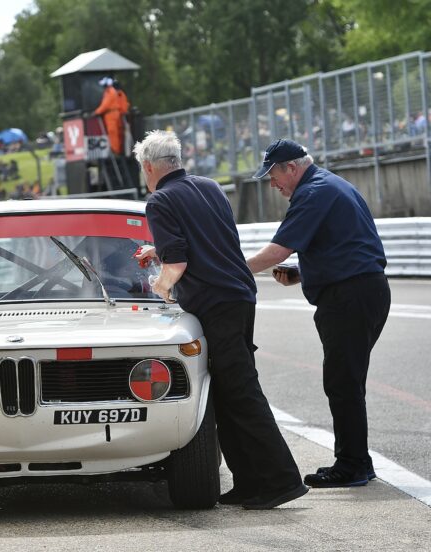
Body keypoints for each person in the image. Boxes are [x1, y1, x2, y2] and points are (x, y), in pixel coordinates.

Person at [133, 130, 307, 509]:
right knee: (226, 392)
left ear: (148, 167)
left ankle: (281, 480)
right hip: (240, 296)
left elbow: (178, 263)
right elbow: (205, 241)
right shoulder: (210, 187)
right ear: (176, 159)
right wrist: (158, 249)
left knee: (240, 392)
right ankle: (247, 482)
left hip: (214, 303)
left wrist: (161, 291)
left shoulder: (159, 201)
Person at [246, 139, 390, 488]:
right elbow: (342, 245)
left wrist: (231, 269)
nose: (272, 184)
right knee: (347, 381)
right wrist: (303, 273)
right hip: (362, 290)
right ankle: (358, 461)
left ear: (292, 168)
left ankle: (352, 465)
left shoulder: (312, 193)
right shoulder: (330, 184)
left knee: (341, 382)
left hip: (350, 296)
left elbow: (277, 250)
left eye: (274, 175)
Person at [92, 77, 123, 155]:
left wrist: (96, 112)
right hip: (111, 114)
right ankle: (115, 149)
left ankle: (115, 150)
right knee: (113, 132)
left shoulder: (110, 92)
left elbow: (105, 105)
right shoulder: (109, 91)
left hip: (111, 114)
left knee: (112, 132)